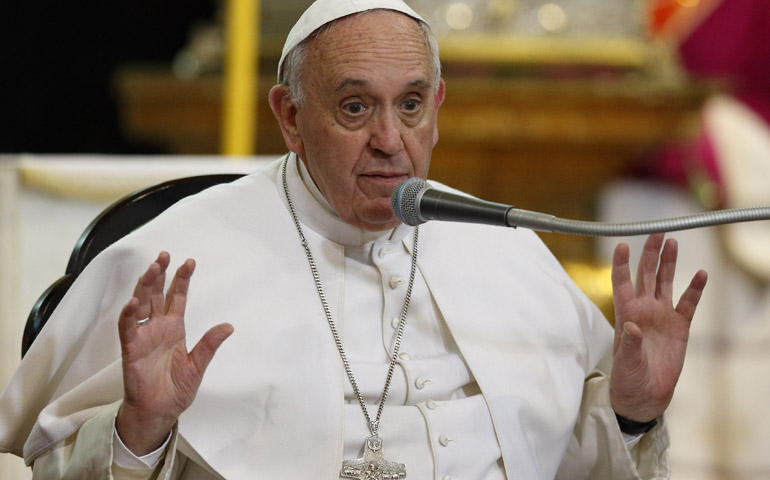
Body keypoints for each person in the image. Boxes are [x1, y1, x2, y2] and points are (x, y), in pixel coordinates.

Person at [0, 0, 707, 478]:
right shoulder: (178, 258)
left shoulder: (508, 249)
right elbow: (59, 462)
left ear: (437, 109)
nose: (389, 143)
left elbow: (563, 462)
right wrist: (141, 427)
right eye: (354, 106)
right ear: (290, 117)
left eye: (409, 106)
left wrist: (631, 411)